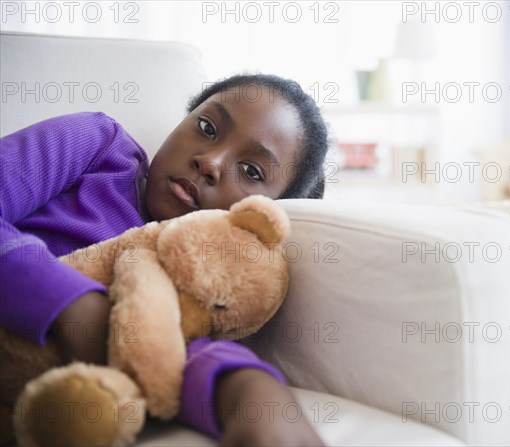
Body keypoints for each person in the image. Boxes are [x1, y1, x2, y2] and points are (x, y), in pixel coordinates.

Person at [0, 73, 329, 445]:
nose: (210, 162)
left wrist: (251, 390)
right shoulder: (95, 145)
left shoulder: (202, 272)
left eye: (252, 171)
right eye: (206, 127)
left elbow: (168, 357)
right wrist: (69, 301)